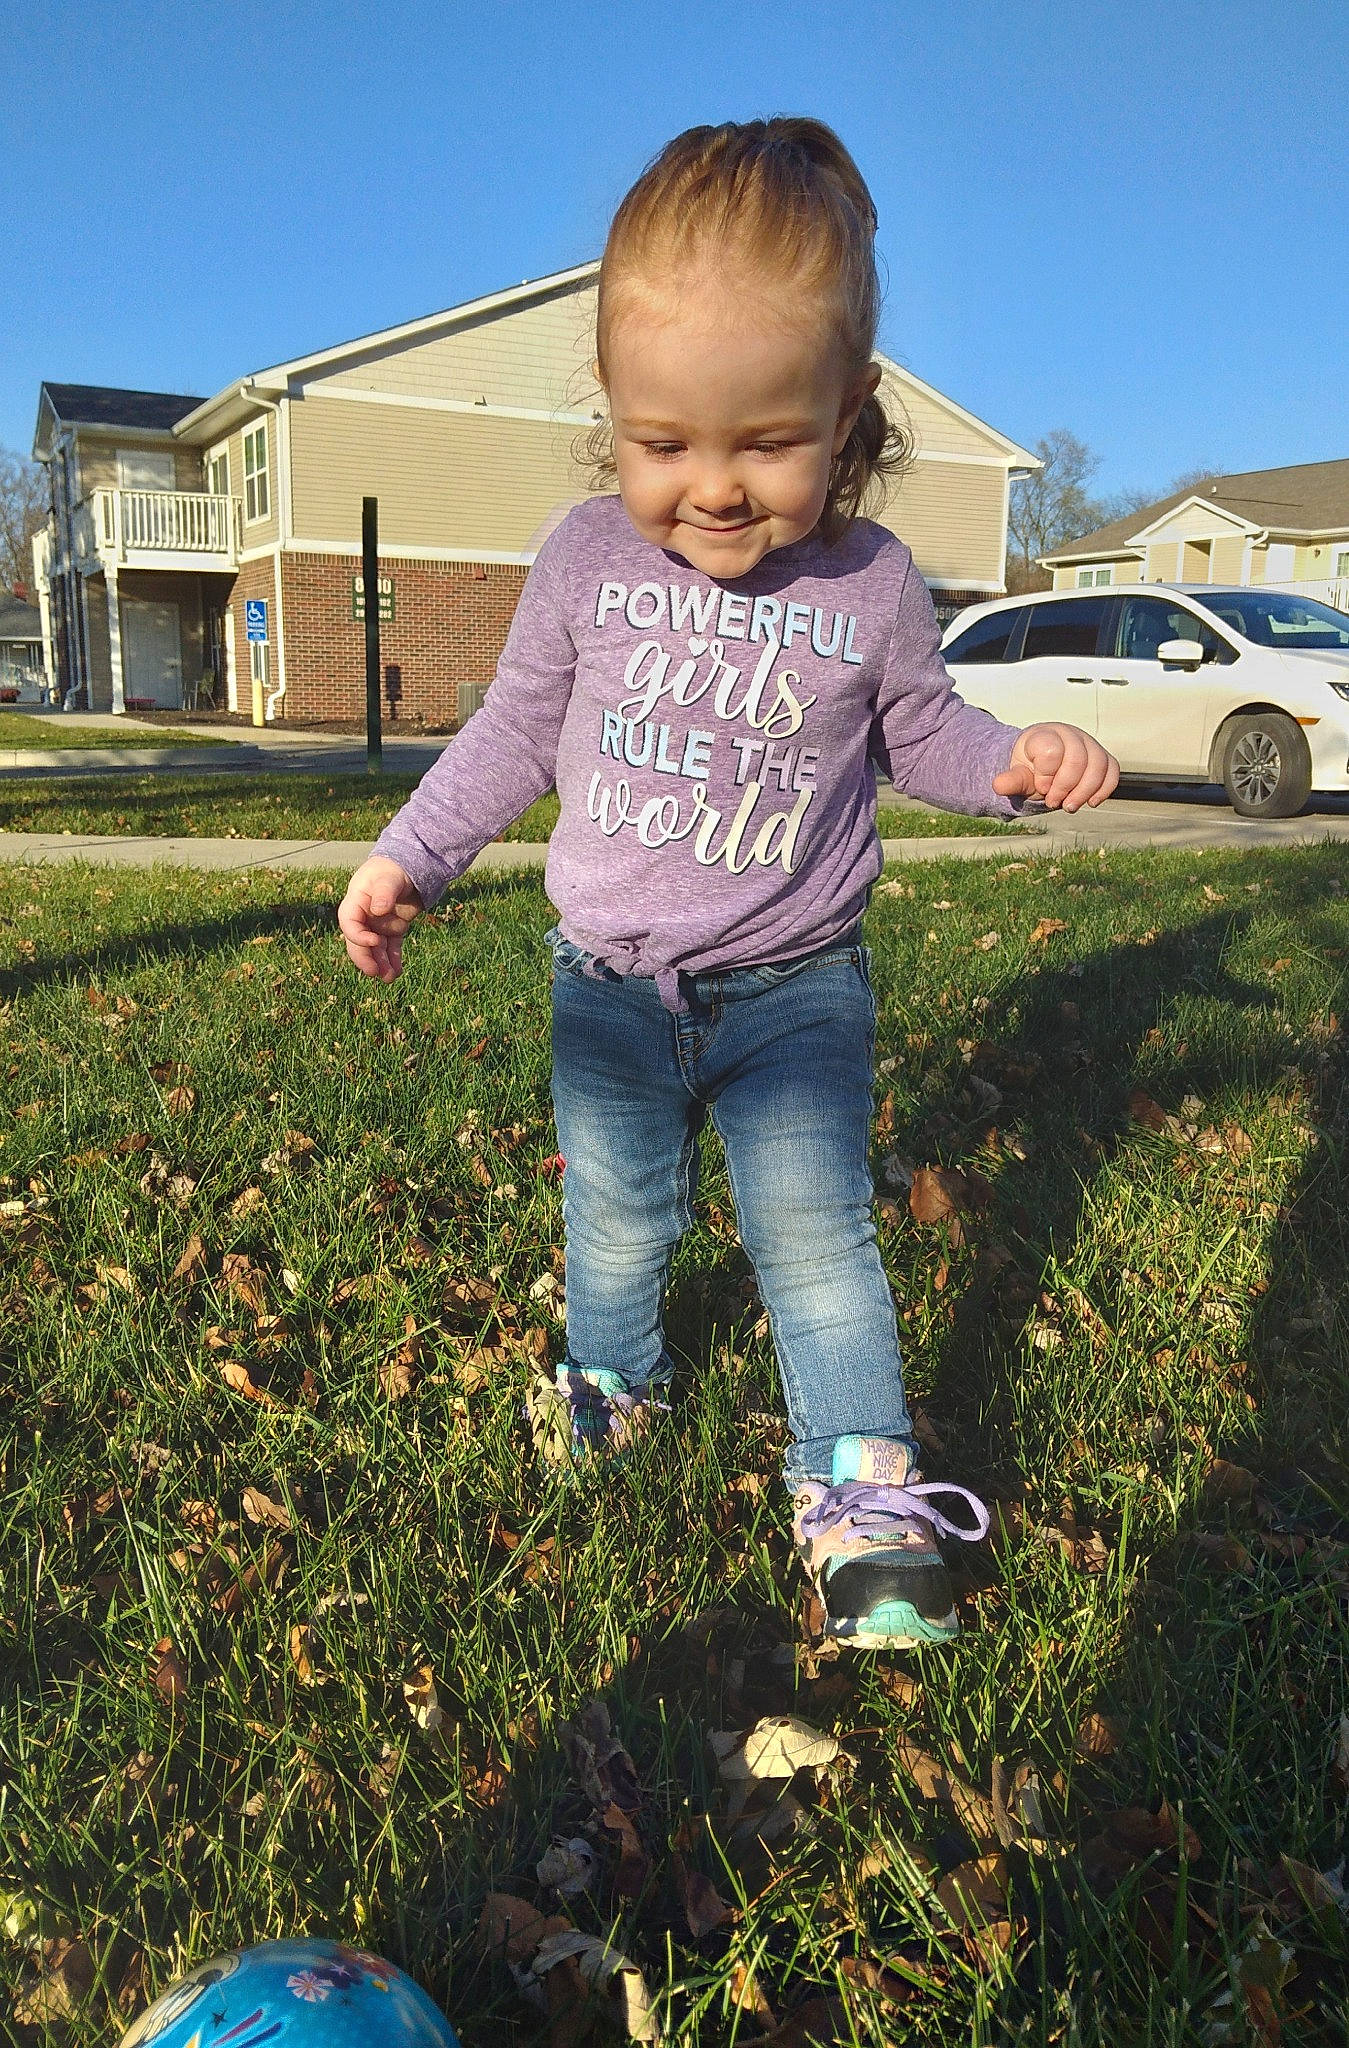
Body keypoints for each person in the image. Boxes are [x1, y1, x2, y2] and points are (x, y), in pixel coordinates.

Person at [338, 118, 1117, 1651]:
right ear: (612, 418)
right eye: (662, 444)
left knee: (812, 1233)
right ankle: (615, 1382)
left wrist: (1010, 757)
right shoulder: (580, 563)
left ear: (850, 412)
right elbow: (512, 732)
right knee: (619, 1220)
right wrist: (410, 853)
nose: (710, 489)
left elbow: (926, 734)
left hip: (794, 992)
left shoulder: (874, 584)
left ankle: (858, 1483)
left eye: (764, 442)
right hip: (609, 988)